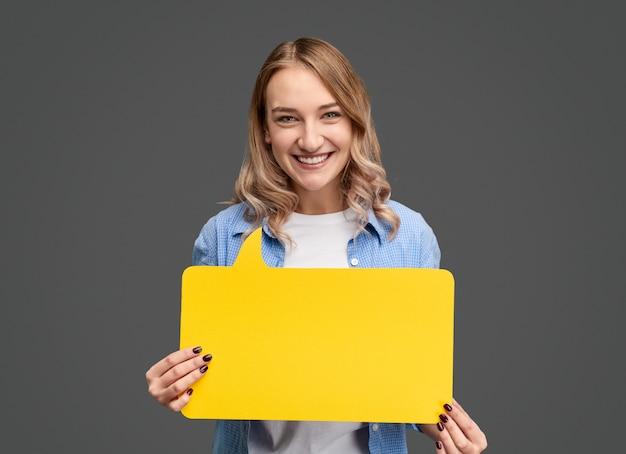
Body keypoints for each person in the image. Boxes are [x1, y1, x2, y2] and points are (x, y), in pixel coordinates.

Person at [146, 37, 487, 454]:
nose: (310, 140)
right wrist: (178, 386)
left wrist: (445, 428)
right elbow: (218, 378)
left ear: (355, 122)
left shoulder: (407, 236)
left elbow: (405, 385)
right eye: (288, 118)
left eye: (330, 115)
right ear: (265, 130)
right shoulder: (224, 237)